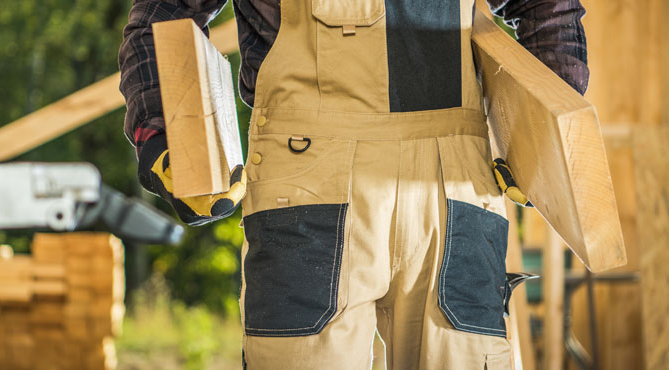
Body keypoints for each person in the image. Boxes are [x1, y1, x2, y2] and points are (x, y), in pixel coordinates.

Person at [118, 0, 588, 368]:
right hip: (309, 185)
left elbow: (549, 7)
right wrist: (167, 140)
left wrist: (541, 143)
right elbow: (162, 14)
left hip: (453, 188)